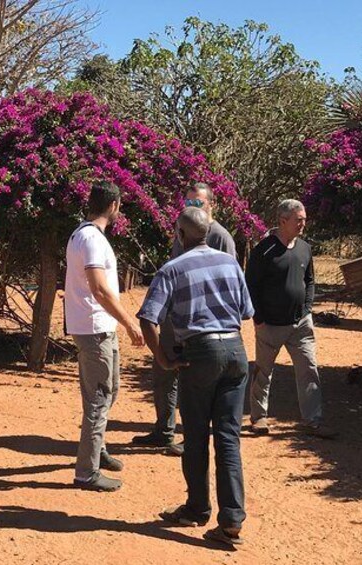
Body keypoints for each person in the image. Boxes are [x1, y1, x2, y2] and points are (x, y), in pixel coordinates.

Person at [137, 207, 254, 547]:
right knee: (229, 438)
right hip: (236, 351)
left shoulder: (171, 269)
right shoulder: (230, 263)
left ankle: (197, 507)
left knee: (197, 436)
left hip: (200, 355)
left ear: (179, 234)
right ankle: (232, 520)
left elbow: (148, 318)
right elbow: (246, 312)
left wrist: (164, 359)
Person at [133, 183, 237, 456]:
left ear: (211, 205)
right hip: (172, 318)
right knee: (163, 371)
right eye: (188, 204)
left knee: (195, 380)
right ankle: (163, 430)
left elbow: (228, 281)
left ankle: (189, 438)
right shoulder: (181, 234)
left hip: (200, 325)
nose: (191, 208)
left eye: (198, 204)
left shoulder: (221, 237)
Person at [65, 181, 144, 492]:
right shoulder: (91, 239)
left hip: (100, 327)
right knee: (98, 398)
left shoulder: (84, 234)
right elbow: (98, 289)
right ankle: (86, 473)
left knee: (110, 391)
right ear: (115, 206)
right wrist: (129, 322)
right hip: (95, 328)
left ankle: (97, 450)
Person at [245, 199, 335, 438]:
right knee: (263, 371)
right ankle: (258, 417)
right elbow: (251, 285)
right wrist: (259, 318)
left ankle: (313, 420)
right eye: (298, 220)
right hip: (270, 324)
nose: (303, 224)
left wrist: (307, 309)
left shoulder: (305, 248)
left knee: (309, 369)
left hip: (300, 324)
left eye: (304, 219)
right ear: (283, 221)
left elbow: (310, 280)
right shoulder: (263, 250)